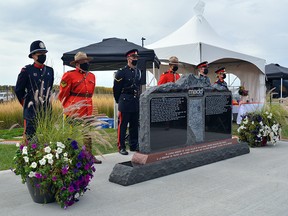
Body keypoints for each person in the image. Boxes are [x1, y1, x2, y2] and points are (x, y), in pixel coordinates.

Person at [58, 51, 102, 164]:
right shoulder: (69, 75)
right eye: (83, 62)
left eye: (86, 61)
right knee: (72, 134)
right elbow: (63, 94)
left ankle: (89, 155)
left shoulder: (92, 76)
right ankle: (71, 156)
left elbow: (90, 93)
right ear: (77, 64)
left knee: (88, 133)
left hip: (87, 108)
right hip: (74, 109)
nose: (86, 64)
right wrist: (68, 107)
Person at [15, 40, 54, 141]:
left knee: (47, 140)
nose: (43, 55)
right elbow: (19, 90)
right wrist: (26, 104)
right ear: (33, 55)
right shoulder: (27, 70)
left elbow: (49, 88)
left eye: (44, 53)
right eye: (40, 53)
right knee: (30, 140)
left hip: (46, 111)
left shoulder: (50, 71)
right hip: (31, 112)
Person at [113, 49, 141, 155]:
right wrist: (118, 100)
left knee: (134, 125)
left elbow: (138, 87)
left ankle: (133, 145)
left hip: (134, 101)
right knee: (123, 125)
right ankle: (121, 146)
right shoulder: (121, 72)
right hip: (125, 101)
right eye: (133, 57)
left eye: (136, 57)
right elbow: (116, 89)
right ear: (128, 58)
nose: (135, 59)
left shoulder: (138, 72)